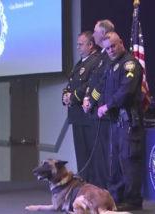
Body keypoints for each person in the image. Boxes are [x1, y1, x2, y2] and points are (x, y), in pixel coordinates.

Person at [97, 32, 144, 211]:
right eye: (107, 48)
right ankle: (117, 198)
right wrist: (99, 105)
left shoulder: (130, 64)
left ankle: (133, 201)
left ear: (121, 43)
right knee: (115, 162)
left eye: (113, 46)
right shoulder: (112, 65)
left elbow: (126, 92)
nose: (110, 50)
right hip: (116, 122)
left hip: (129, 122)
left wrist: (107, 106)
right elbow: (105, 89)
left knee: (128, 161)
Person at [62, 31, 100, 182]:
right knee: (81, 153)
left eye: (81, 44)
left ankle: (92, 184)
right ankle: (84, 184)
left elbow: (91, 84)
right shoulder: (81, 63)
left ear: (91, 45)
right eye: (77, 44)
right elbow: (71, 83)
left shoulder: (96, 61)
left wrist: (73, 96)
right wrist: (65, 95)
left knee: (90, 153)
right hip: (76, 115)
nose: (78, 47)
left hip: (87, 115)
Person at [82, 19, 115, 189]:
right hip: (96, 110)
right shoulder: (101, 56)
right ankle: (99, 189)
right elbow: (93, 82)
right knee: (98, 156)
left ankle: (104, 191)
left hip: (105, 112)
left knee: (105, 156)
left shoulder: (108, 56)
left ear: (103, 33)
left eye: (95, 31)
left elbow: (103, 84)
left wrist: (92, 100)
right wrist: (87, 98)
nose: (93, 34)